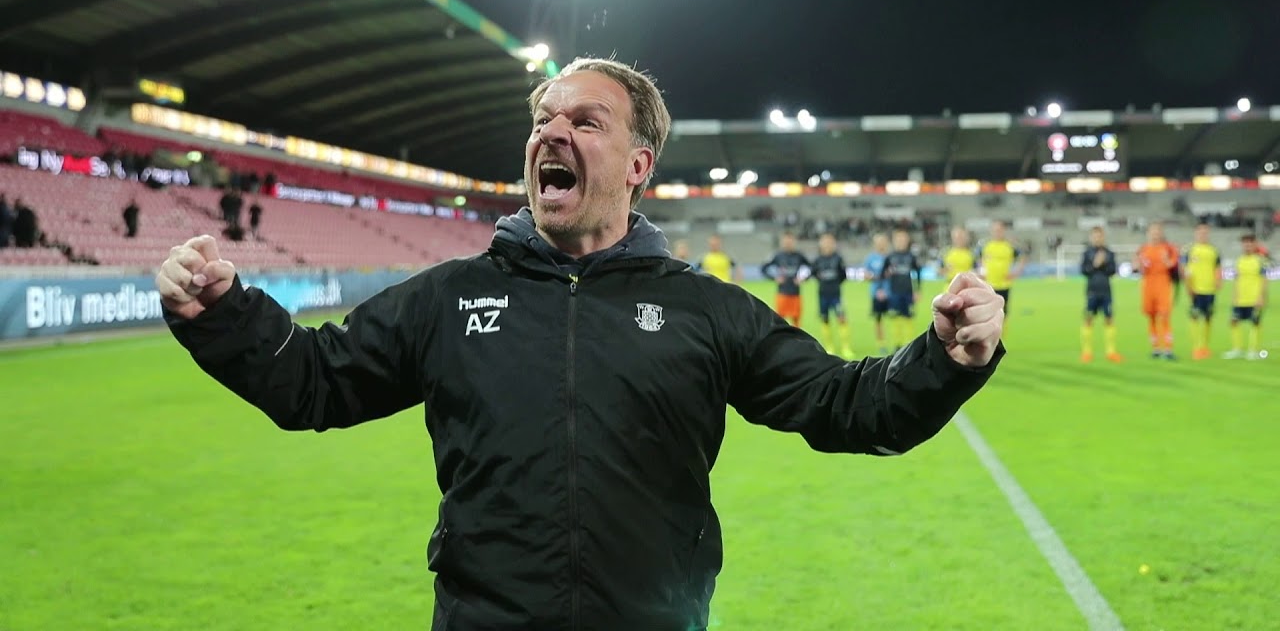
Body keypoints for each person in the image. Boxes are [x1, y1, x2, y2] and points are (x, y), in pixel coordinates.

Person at [155, 57, 1006, 631]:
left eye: (585, 122)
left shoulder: (706, 311)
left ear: (638, 166)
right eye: (542, 119)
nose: (551, 133)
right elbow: (315, 383)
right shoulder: (451, 297)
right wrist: (225, 314)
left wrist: (944, 360)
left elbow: (846, 404)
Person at [1135, 222, 1178, 359]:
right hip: (1148, 284)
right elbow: (1138, 268)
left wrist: (1167, 262)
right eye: (1152, 231)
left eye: (1158, 231)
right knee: (1151, 317)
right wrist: (1138, 264)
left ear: (1161, 233)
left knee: (1164, 316)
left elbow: (1173, 265)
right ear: (1148, 233)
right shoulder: (1143, 249)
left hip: (1163, 283)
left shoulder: (1168, 248)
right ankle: (1156, 348)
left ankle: (1168, 348)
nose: (1155, 234)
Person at [1080, 226, 1122, 363]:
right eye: (1095, 236)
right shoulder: (1087, 253)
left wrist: (1103, 264)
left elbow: (1112, 271)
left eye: (1100, 236)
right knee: (1088, 319)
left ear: (1103, 237)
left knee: (1109, 319)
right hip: (1092, 291)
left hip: (1106, 292)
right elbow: (1084, 271)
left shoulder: (1109, 253)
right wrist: (1095, 264)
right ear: (1091, 237)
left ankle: (1111, 351)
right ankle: (1087, 352)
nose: (1097, 238)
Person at [1224, 233, 1269, 360]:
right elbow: (1236, 280)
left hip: (1254, 298)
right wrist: (1234, 296)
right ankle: (1237, 349)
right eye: (1245, 243)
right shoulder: (1239, 260)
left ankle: (1253, 350)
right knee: (1234, 322)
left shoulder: (1261, 260)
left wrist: (1261, 297)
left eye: (1250, 243)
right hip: (1240, 299)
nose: (1247, 246)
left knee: (1255, 323)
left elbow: (1264, 280)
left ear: (1254, 244)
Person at [1182, 223, 1221, 360]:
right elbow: (1185, 270)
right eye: (1200, 233)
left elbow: (1217, 268)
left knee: (1208, 318)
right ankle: (1196, 347)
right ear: (1196, 233)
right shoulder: (1189, 250)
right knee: (1195, 317)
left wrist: (1218, 280)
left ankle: (1204, 346)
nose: (1203, 235)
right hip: (1196, 289)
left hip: (1210, 289)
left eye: (1205, 233)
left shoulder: (1213, 250)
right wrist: (1188, 286)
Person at [811, 232, 853, 357]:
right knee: (825, 320)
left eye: (830, 242)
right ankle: (829, 347)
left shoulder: (838, 259)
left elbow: (843, 276)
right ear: (821, 244)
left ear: (834, 244)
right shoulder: (817, 260)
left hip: (836, 295)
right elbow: (814, 274)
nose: (827, 245)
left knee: (842, 319)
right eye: (825, 242)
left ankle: (846, 347)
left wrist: (834, 284)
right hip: (823, 294)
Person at [880, 229, 923, 351]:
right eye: (898, 239)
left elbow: (918, 273)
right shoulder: (890, 257)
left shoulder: (911, 256)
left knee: (908, 317)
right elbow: (883, 274)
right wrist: (883, 289)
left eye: (903, 239)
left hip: (908, 292)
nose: (901, 242)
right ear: (894, 241)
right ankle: (897, 344)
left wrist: (917, 290)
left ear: (907, 241)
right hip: (894, 292)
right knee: (895, 317)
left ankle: (909, 344)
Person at [762, 231, 809, 326]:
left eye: (790, 241)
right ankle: (782, 340)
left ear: (794, 242)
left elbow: (811, 268)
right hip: (782, 294)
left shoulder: (799, 256)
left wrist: (802, 278)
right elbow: (764, 268)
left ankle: (797, 340)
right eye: (786, 241)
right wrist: (774, 278)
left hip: (795, 294)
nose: (788, 243)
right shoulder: (778, 256)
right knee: (780, 322)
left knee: (796, 321)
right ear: (782, 242)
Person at [979, 220, 1025, 315]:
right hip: (988, 284)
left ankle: (1002, 330)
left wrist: (1016, 273)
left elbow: (1022, 258)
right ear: (991, 231)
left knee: (1003, 313)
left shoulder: (1010, 246)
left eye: (999, 230)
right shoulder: (985, 245)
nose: (997, 232)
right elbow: (979, 259)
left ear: (1004, 231)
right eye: (995, 230)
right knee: (988, 313)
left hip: (1004, 284)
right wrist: (982, 272)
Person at [864, 233, 892, 354]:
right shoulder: (871, 258)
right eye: (878, 242)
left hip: (891, 293)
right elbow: (865, 275)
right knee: (878, 319)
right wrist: (873, 277)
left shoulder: (892, 257)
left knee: (896, 318)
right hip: (876, 293)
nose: (881, 244)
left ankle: (898, 343)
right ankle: (882, 344)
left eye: (883, 242)